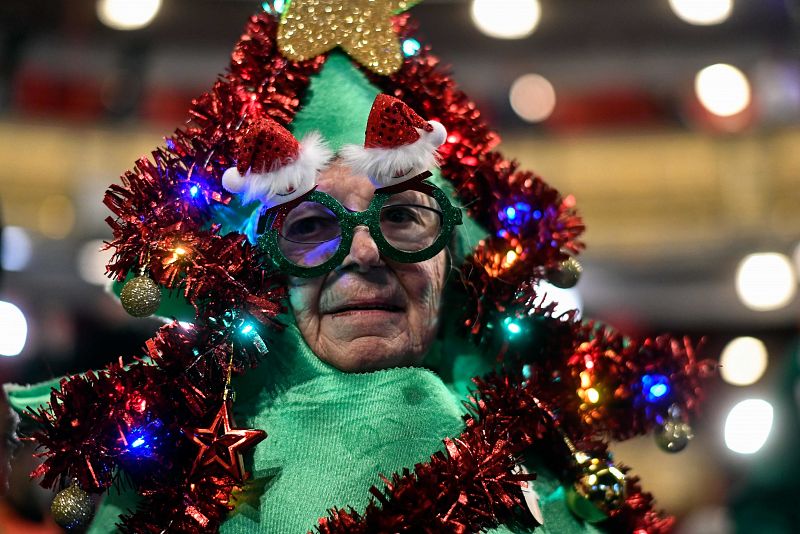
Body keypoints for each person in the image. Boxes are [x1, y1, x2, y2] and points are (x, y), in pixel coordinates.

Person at [4, 6, 705, 533]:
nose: (366, 252)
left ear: (454, 260)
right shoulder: (177, 485)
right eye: (311, 227)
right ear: (261, 275)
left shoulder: (554, 472)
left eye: (403, 218)